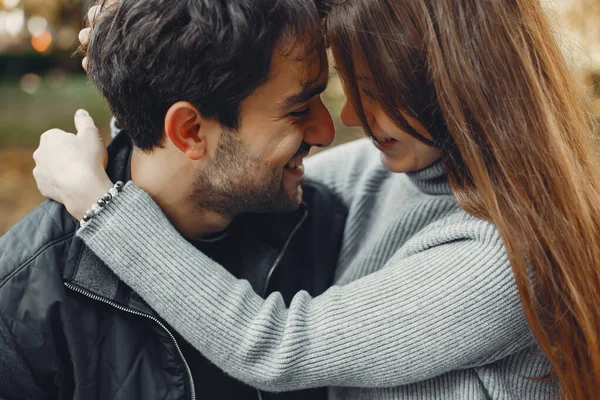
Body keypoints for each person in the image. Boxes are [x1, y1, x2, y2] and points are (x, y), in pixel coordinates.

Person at [33, 0, 600, 399]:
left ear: (446, 86)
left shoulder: (499, 261)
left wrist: (100, 205)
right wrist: (146, 59)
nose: (347, 119)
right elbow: (229, 164)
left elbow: (277, 344)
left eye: (372, 95)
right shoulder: (401, 173)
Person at [0, 1, 348, 399]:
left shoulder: (323, 227)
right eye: (300, 109)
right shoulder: (23, 301)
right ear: (189, 131)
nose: (326, 132)